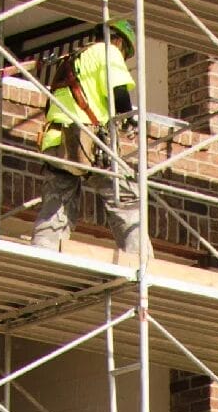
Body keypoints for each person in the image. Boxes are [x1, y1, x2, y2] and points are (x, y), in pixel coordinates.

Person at [32, 19, 146, 254]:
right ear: (118, 41)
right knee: (125, 197)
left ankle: (43, 250)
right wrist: (129, 120)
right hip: (85, 141)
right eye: (125, 52)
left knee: (56, 202)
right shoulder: (108, 51)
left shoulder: (73, 59)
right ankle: (140, 259)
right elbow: (119, 92)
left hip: (55, 140)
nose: (122, 56)